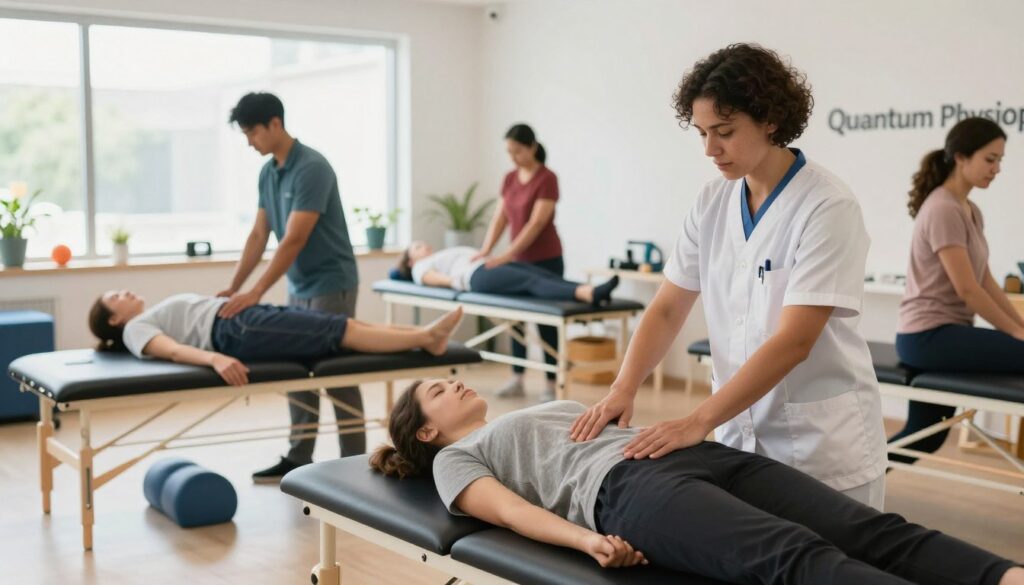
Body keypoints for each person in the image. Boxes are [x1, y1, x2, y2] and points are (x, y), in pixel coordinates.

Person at [570, 43, 888, 509]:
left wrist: (696, 421)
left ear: (771, 120)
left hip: (820, 448)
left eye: (724, 131)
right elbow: (667, 307)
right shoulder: (712, 202)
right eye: (701, 133)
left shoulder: (826, 205)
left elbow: (795, 341)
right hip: (737, 436)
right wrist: (623, 388)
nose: (710, 150)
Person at [369, 379, 1023, 584]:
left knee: (865, 526)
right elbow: (510, 513)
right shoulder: (458, 459)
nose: (453, 383)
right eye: (435, 391)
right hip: (627, 492)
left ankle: (1004, 576)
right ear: (425, 431)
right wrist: (585, 542)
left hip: (689, 453)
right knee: (798, 558)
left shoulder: (519, 412)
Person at [222, 92, 363, 483]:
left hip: (331, 282)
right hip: (299, 285)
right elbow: (258, 235)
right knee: (298, 371)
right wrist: (235, 287)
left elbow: (294, 239)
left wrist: (257, 292)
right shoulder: (268, 173)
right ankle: (299, 456)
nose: (250, 142)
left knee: (336, 372)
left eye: (252, 133)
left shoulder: (312, 168)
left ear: (275, 124)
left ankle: (357, 460)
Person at [889, 117, 1024, 464]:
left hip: (945, 336)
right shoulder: (943, 208)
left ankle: (848, 489)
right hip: (928, 337)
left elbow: (985, 280)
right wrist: (1013, 331)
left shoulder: (970, 210)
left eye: (1000, 160)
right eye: (990, 159)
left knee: (925, 437)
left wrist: (1018, 325)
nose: (996, 169)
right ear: (961, 157)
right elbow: (967, 289)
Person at [87, 290, 462, 384]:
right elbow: (170, 350)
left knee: (345, 325)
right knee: (343, 331)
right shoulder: (136, 330)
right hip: (235, 331)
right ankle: (427, 337)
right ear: (116, 320)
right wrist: (215, 359)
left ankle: (425, 335)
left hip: (240, 318)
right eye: (116, 297)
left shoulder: (144, 317)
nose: (125, 292)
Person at [476, 124, 565, 400]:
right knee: (514, 320)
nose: (513, 157)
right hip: (517, 261)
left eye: (517, 151)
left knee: (546, 323)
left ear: (532, 148)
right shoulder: (510, 178)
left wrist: (506, 256)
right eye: (509, 152)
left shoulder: (547, 178)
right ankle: (517, 378)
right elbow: (500, 217)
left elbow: (537, 223)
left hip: (545, 260)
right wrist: (486, 249)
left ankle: (551, 384)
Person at [397, 241, 620, 306]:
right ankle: (587, 294)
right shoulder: (419, 267)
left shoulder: (436, 256)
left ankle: (592, 290)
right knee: (531, 280)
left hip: (487, 265)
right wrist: (455, 281)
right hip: (475, 276)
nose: (424, 245)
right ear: (410, 260)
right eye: (417, 247)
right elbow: (431, 279)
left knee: (539, 273)